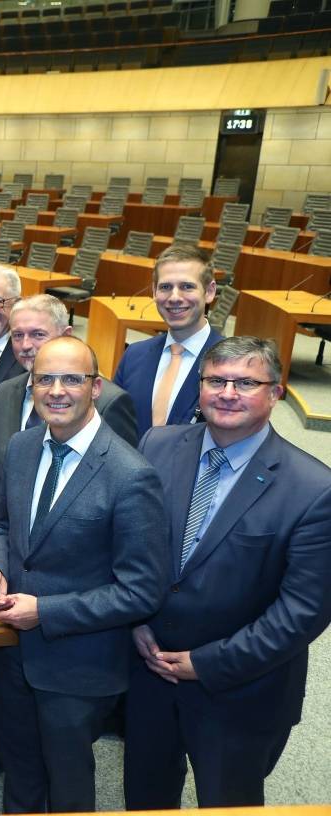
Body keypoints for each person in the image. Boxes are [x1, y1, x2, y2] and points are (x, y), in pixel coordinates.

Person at [125, 336, 331, 809]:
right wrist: (134, 619)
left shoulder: (315, 490)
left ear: (276, 393)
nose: (228, 392)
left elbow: (302, 612)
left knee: (228, 803)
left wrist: (209, 663)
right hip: (149, 668)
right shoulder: (157, 445)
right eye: (216, 380)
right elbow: (128, 542)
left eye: (246, 382)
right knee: (145, 796)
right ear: (200, 388)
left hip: (241, 688)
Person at [0, 295, 138, 767]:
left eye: (39, 334)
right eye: (19, 335)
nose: (27, 345)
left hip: (72, 602)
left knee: (61, 761)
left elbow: (121, 510)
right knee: (18, 733)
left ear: (67, 337)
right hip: (12, 571)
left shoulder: (110, 403)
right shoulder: (7, 391)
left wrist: (53, 605)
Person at [0, 336, 167, 813]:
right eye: (45, 378)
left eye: (71, 379)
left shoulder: (130, 475)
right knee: (18, 769)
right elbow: (2, 524)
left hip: (78, 664)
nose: (56, 390)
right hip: (12, 653)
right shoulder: (22, 447)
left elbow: (142, 592)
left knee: (68, 784)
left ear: (96, 387)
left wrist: (44, 612)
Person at [113, 244, 223, 440]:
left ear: (209, 291)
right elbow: (114, 424)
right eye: (165, 287)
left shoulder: (232, 363)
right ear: (155, 291)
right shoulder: (133, 355)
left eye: (186, 286)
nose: (174, 297)